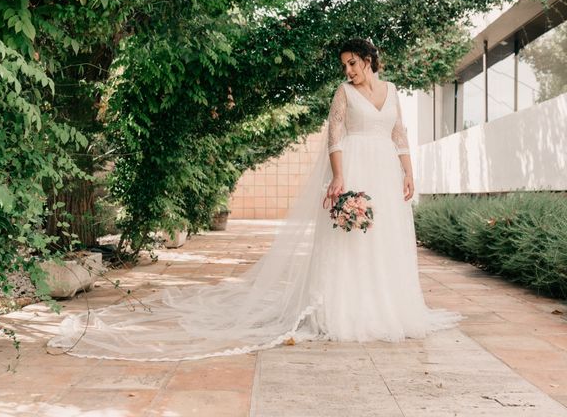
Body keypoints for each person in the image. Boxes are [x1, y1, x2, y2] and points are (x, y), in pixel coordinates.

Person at [47, 38, 463, 362]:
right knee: (351, 242)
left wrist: (408, 172)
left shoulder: (391, 92)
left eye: (353, 63)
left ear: (370, 60)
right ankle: (347, 310)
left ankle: (389, 307)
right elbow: (335, 135)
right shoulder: (342, 93)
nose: (349, 70)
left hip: (387, 172)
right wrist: (339, 178)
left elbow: (400, 135)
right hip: (354, 167)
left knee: (385, 240)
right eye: (344, 65)